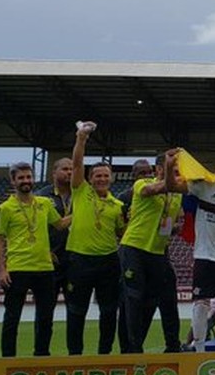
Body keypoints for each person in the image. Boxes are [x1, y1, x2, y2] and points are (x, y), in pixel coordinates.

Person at [166, 149, 215, 352]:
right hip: (205, 256)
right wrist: (168, 166)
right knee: (201, 304)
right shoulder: (204, 186)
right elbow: (172, 186)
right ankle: (199, 351)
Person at [0, 162, 70, 357]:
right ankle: (8, 359)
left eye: (28, 177)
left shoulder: (44, 203)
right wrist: (2, 270)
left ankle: (41, 355)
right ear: (13, 181)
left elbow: (60, 224)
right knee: (12, 317)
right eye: (21, 178)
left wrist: (81, 213)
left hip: (44, 268)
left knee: (45, 318)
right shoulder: (5, 208)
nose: (26, 181)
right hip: (17, 269)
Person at [66, 122, 126, 355]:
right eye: (97, 175)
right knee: (76, 311)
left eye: (105, 175)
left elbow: (122, 234)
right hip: (80, 259)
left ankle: (104, 353)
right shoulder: (81, 192)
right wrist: (82, 138)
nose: (101, 179)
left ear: (112, 179)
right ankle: (75, 355)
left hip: (108, 261)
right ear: (89, 179)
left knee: (109, 311)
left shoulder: (118, 205)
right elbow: (78, 162)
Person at [118, 150, 183, 353]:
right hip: (134, 248)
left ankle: (172, 346)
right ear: (159, 169)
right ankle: (133, 350)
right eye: (171, 168)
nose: (175, 173)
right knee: (134, 298)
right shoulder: (142, 183)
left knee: (159, 299)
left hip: (158, 252)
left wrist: (172, 227)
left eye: (178, 169)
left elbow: (171, 219)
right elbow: (153, 190)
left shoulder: (177, 194)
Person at [36, 158, 73, 308]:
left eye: (72, 169)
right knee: (45, 310)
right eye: (65, 169)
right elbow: (35, 227)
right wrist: (45, 251)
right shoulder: (41, 196)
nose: (69, 172)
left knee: (75, 310)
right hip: (50, 260)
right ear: (54, 173)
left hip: (74, 261)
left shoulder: (83, 195)